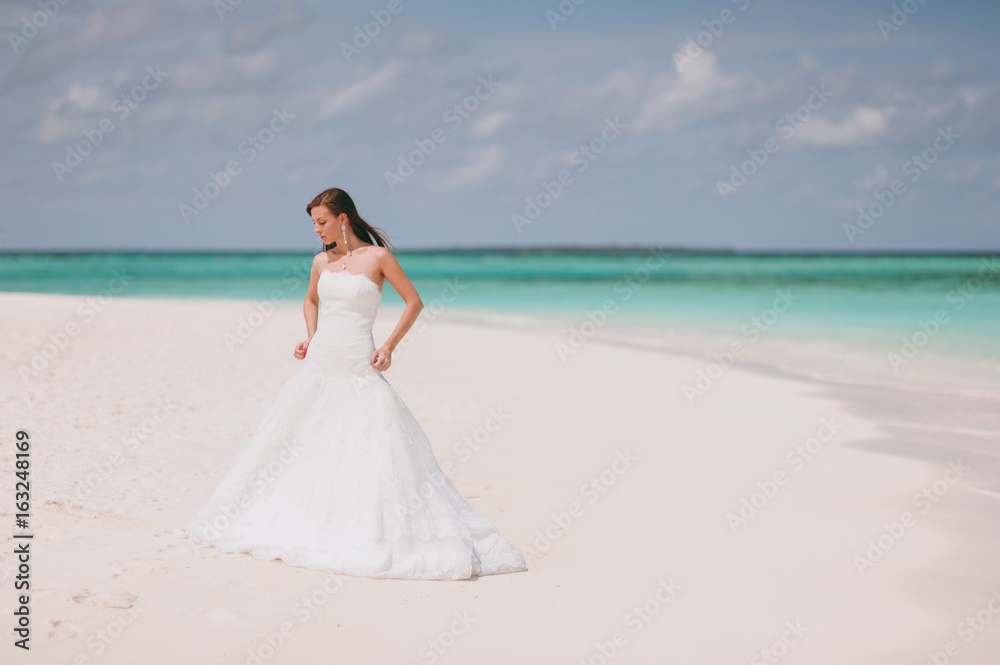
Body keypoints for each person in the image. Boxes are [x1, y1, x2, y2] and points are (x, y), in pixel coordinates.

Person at [184, 188, 527, 580]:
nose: (316, 230)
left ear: (343, 218)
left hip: (359, 363)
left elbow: (414, 302)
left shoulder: (377, 258)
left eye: (322, 221)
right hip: (322, 361)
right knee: (303, 441)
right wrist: (311, 337)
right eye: (313, 223)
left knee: (374, 447)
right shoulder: (319, 262)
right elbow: (310, 301)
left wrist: (390, 346)